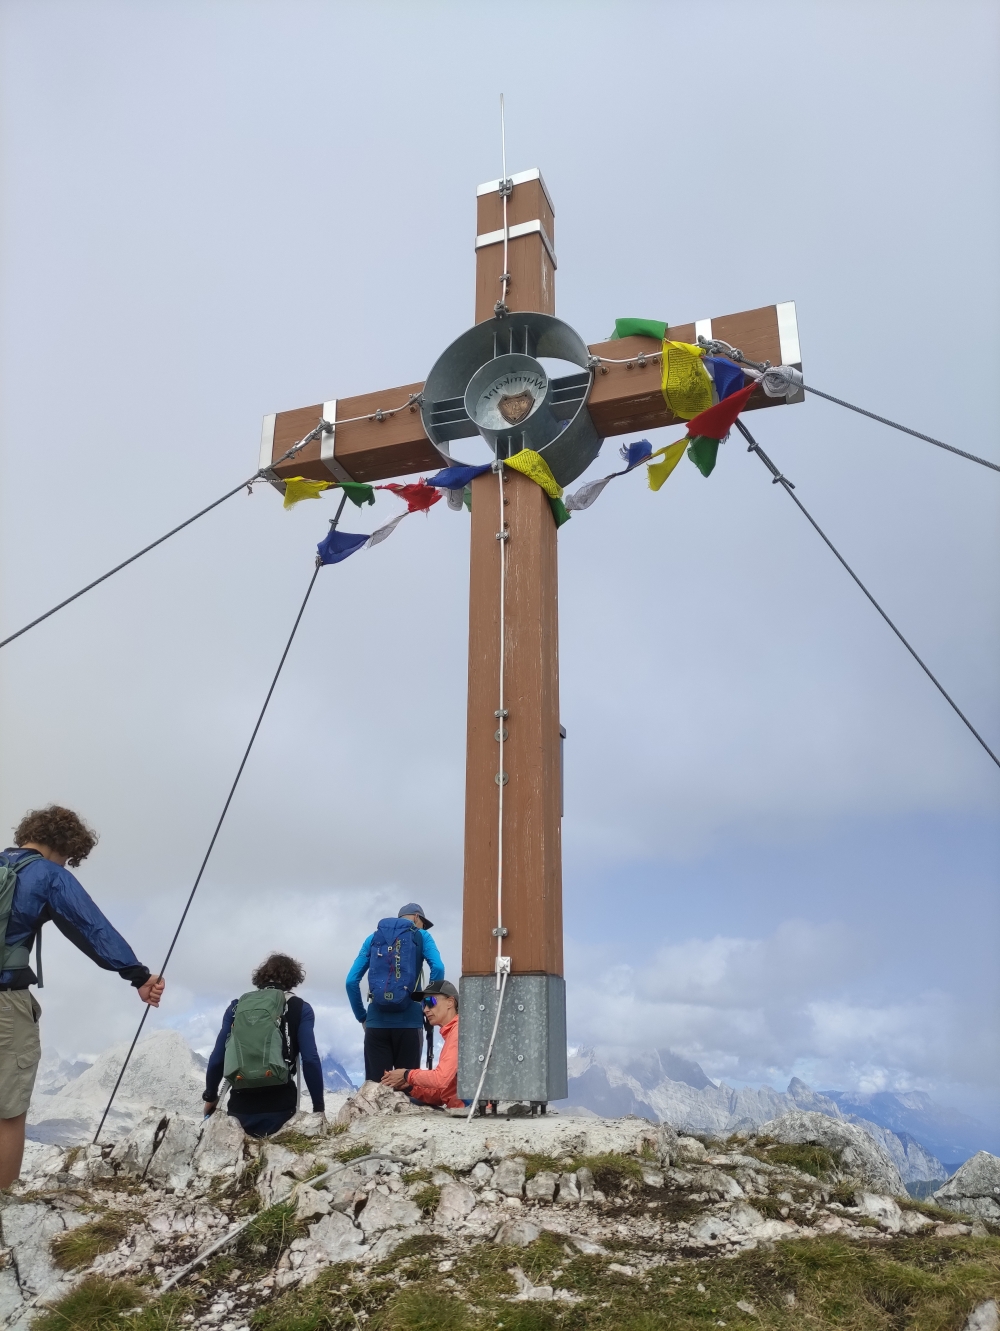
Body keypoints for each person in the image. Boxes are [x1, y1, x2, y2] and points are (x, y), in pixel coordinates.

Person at [0, 806, 165, 1188]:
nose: (68, 863)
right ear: (64, 846)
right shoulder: (47, 874)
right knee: (8, 1112)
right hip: (6, 1004)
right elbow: (90, 927)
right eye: (70, 858)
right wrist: (137, 975)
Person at [203, 952, 324, 1137]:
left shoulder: (236, 1007)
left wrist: (210, 1096)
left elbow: (218, 1057)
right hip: (282, 1110)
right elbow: (310, 1060)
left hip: (240, 1110)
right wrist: (318, 1108)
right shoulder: (300, 1008)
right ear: (293, 979)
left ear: (260, 977)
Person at [346, 902, 444, 1083]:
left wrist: (362, 1017)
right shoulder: (422, 936)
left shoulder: (373, 939)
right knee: (406, 1088)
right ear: (416, 917)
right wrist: (429, 1005)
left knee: (376, 1092)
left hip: (376, 1024)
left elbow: (351, 981)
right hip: (410, 1022)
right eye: (423, 921)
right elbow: (438, 968)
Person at [381, 979, 461, 1109]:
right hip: (465, 1107)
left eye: (430, 1002)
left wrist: (406, 1075)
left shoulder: (458, 1032)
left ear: (450, 1002)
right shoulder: (455, 1032)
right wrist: (410, 1086)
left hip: (470, 1112)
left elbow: (441, 1079)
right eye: (423, 1004)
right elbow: (443, 1093)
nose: (425, 1010)